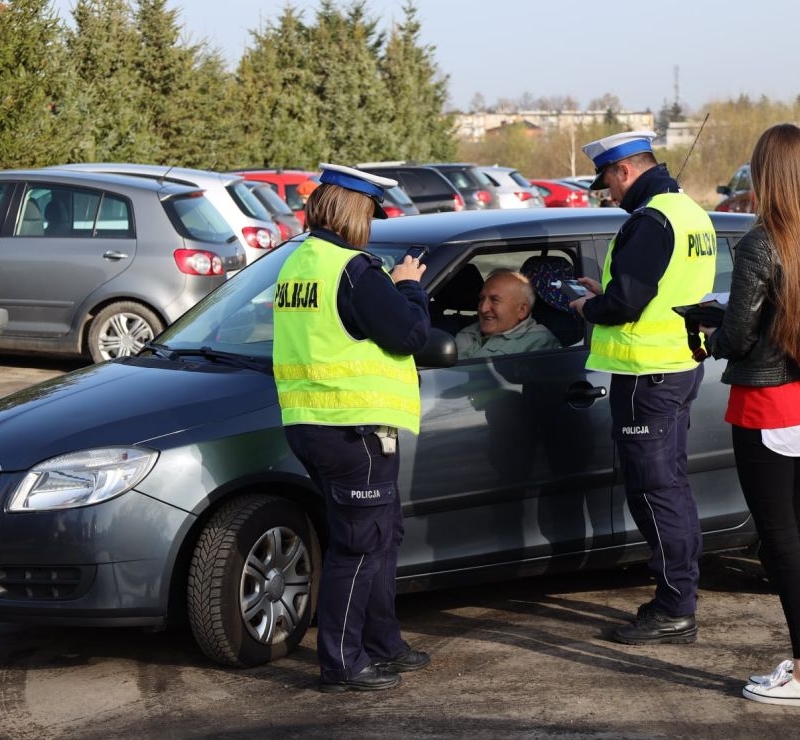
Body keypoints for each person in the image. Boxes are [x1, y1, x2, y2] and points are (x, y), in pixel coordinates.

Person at [272, 163, 431, 693]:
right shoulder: (353, 269)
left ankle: (383, 644)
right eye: (369, 214)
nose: (371, 227)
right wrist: (410, 287)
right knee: (361, 547)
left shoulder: (298, 263)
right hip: (353, 431)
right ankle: (342, 661)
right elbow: (409, 333)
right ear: (354, 211)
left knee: (379, 538)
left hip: (314, 425)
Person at [570, 131, 717, 645]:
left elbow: (628, 302)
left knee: (655, 491)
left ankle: (675, 605)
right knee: (672, 486)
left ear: (624, 171)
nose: (608, 193)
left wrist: (592, 306)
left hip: (646, 375)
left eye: (607, 181)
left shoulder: (651, 219)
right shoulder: (692, 213)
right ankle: (681, 595)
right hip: (677, 367)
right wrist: (606, 292)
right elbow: (662, 288)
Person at [701, 123, 800, 706]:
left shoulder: (764, 242)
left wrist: (710, 335)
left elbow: (738, 335)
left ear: (766, 174)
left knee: (781, 543)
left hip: (768, 406)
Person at [455, 269, 560, 358]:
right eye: (482, 299)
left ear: (522, 310)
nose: (483, 308)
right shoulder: (468, 332)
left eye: (495, 300)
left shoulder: (539, 342)